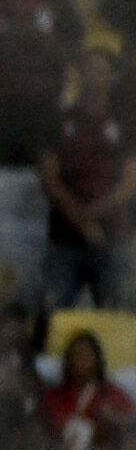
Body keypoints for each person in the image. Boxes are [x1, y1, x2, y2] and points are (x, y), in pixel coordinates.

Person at [0, 0, 85, 293]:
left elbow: (78, 54)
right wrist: (12, 45)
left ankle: (47, 268)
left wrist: (45, 43)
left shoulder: (58, 4)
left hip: (45, 110)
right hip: (7, 111)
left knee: (45, 185)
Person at [40, 50, 136, 310]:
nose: (93, 75)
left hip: (114, 236)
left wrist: (89, 216)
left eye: (100, 70)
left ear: (113, 77)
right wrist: (81, 220)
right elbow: (49, 178)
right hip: (64, 238)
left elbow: (130, 183)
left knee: (117, 313)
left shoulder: (127, 125)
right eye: (88, 69)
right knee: (53, 312)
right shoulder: (58, 121)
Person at [41, 330, 134, 450]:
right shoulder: (54, 396)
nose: (81, 359)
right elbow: (48, 430)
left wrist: (115, 420)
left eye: (86, 354)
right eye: (76, 354)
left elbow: (131, 421)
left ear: (97, 359)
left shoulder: (111, 395)